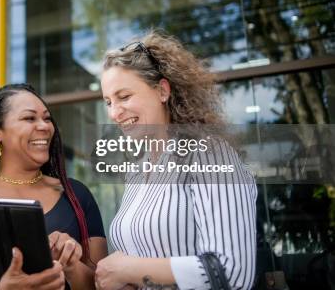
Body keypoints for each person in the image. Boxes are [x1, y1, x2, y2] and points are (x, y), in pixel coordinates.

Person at [95, 30, 257, 290]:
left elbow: (232, 272)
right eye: (108, 102)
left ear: (162, 91)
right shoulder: (137, 171)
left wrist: (128, 269)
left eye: (124, 97)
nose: (114, 112)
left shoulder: (208, 153)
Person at [0, 84, 108, 290]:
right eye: (29, 118)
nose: (44, 126)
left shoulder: (76, 195)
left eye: (47, 118)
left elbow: (101, 285)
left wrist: (70, 264)